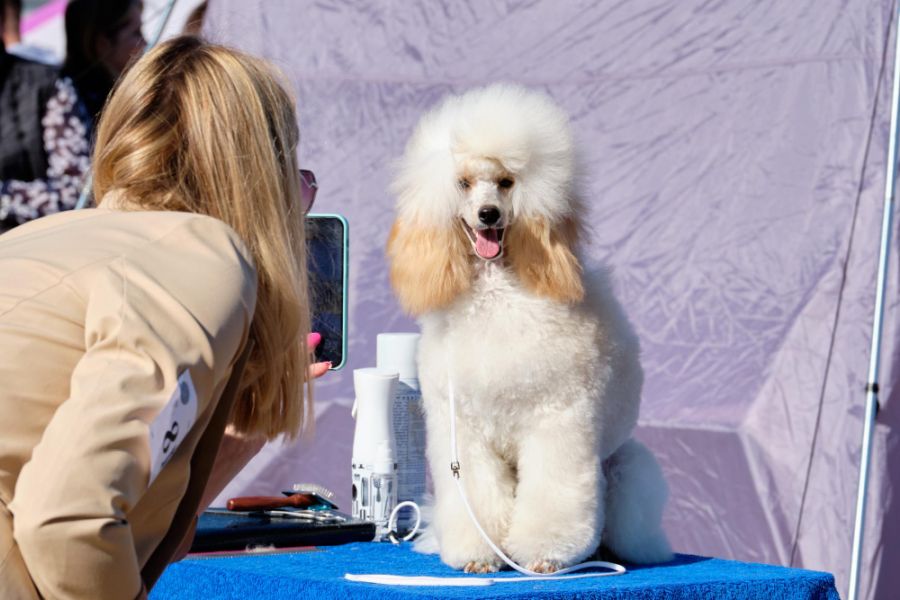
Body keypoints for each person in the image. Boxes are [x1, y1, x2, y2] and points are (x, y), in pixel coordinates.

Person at [0, 35, 326, 599]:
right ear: (262, 183)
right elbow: (67, 517)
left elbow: (137, 529)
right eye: (294, 176)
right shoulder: (202, 254)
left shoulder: (42, 238)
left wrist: (234, 431)